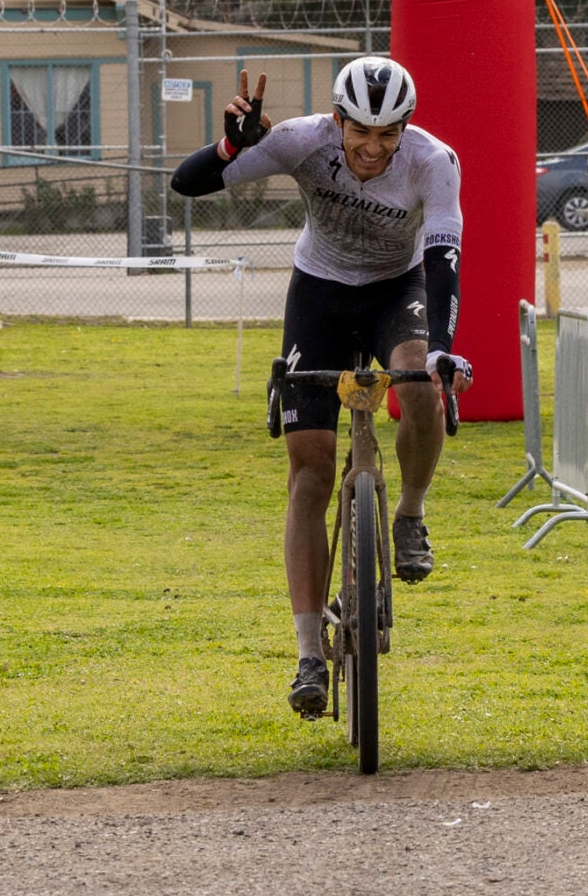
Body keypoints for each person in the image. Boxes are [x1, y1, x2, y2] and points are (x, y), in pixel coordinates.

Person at [171, 56, 470, 718]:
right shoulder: (302, 141)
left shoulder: (433, 161)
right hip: (321, 294)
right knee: (310, 472)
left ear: (405, 129)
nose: (372, 148)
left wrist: (445, 349)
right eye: (360, 131)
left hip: (398, 289)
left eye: (388, 134)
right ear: (337, 121)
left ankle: (411, 513)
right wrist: (231, 146)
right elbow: (187, 183)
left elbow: (444, 260)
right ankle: (309, 652)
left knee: (421, 381)